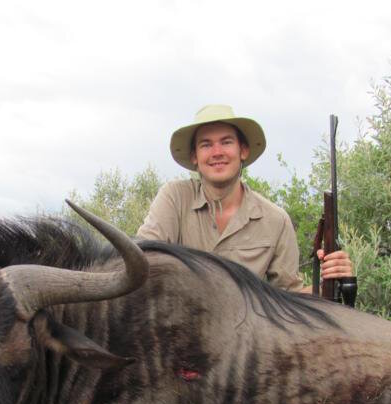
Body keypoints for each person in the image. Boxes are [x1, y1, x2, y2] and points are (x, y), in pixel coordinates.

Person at [136, 104, 352, 293]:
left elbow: (289, 297)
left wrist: (327, 285)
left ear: (243, 150)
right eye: (206, 144)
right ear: (195, 156)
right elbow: (140, 263)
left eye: (226, 142)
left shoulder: (275, 220)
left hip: (246, 337)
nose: (217, 152)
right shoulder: (174, 198)